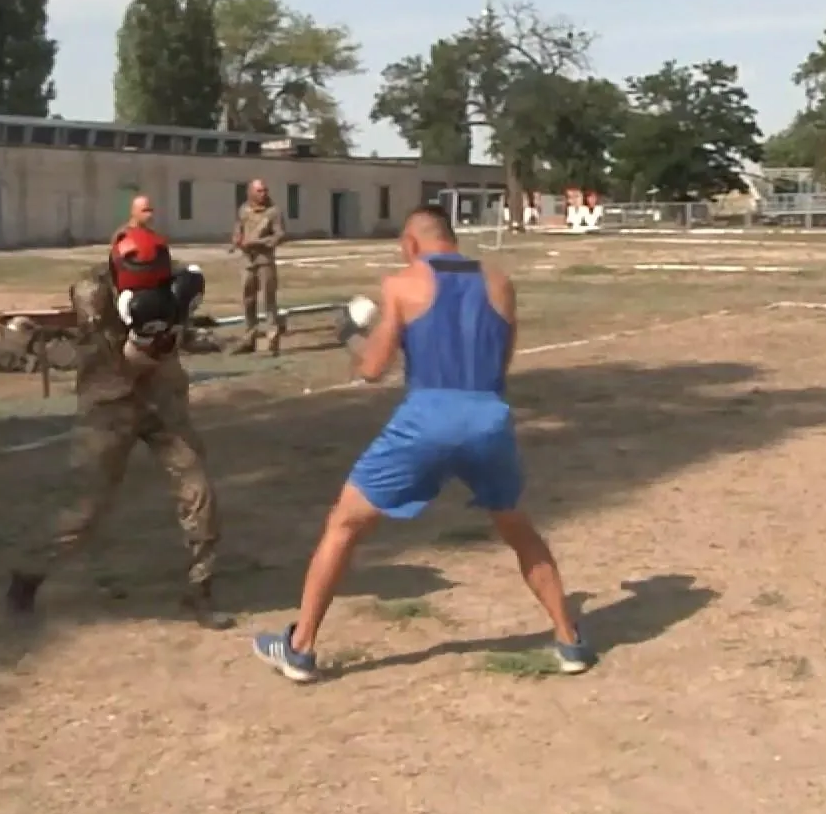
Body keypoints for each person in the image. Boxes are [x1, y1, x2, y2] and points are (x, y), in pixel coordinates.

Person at [252, 204, 593, 683]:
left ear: (411, 243)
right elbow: (502, 361)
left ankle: (300, 647)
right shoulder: (500, 282)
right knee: (519, 530)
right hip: (488, 416)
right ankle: (570, 640)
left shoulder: (401, 284)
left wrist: (349, 337)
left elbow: (372, 369)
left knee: (345, 524)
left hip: (427, 418)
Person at [6, 226, 229, 628]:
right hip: (109, 403)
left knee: (199, 490)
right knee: (84, 509)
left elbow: (188, 287)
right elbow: (125, 361)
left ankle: (200, 588)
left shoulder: (169, 274)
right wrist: (149, 337)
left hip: (162, 399)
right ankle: (27, 575)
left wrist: (181, 310)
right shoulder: (91, 293)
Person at [231, 179, 286, 355]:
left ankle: (272, 338)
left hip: (264, 260)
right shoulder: (243, 209)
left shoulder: (273, 212)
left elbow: (279, 235)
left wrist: (257, 242)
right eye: (259, 191)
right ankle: (249, 337)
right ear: (250, 192)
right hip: (247, 260)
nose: (263, 194)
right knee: (248, 300)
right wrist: (237, 240)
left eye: (265, 190)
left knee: (269, 299)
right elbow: (238, 229)